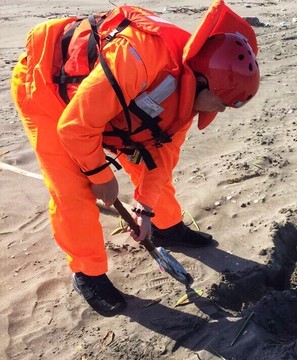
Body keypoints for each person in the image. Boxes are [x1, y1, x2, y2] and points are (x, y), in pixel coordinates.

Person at [10, 0, 260, 317]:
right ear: (202, 79)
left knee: (151, 167)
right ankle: (88, 273)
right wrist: (101, 177)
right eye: (222, 102)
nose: (221, 110)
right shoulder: (138, 58)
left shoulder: (189, 92)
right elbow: (74, 128)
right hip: (47, 86)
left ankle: (166, 228)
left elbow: (163, 154)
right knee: (72, 190)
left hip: (111, 108)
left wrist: (144, 207)